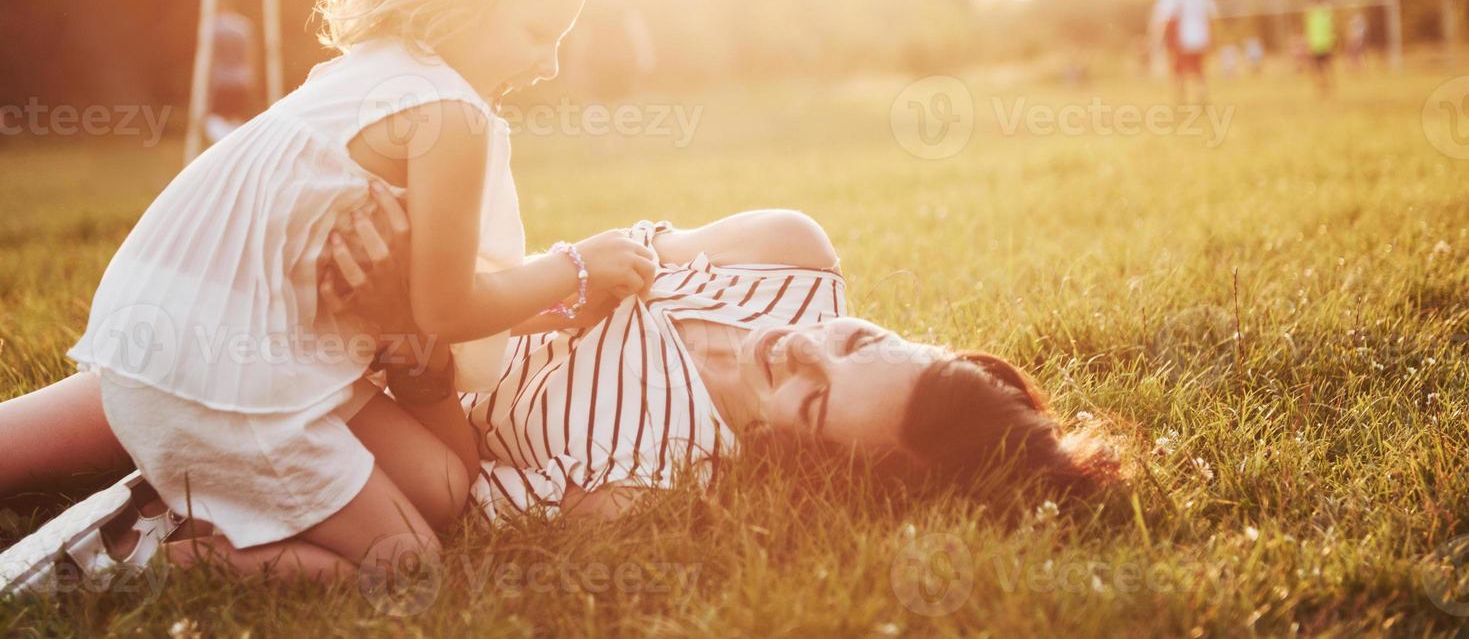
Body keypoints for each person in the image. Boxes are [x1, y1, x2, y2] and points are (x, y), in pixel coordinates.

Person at [19, 0, 666, 584]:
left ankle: (195, 500)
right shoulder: (452, 117)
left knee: (443, 492)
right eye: (536, 31)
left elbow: (423, 291)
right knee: (404, 562)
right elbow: (445, 306)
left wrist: (542, 300)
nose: (548, 63)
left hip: (162, 356)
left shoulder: (361, 74)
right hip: (232, 389)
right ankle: (128, 564)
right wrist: (577, 268)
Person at [1, 209, 1122, 589]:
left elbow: (450, 488)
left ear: (805, 462)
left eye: (814, 398)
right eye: (856, 336)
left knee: (247, 361)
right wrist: (433, 287)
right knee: (205, 350)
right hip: (444, 300)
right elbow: (564, 257)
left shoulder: (653, 477)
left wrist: (421, 359)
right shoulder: (790, 255)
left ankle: (151, 520)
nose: (795, 342)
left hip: (397, 413)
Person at [1150, 0, 1218, 104]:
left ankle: (1181, 100)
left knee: (1178, 71)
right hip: (1200, 36)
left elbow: (1165, 16)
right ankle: (1202, 98)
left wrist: (1159, 38)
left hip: (1180, 37)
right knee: (1199, 69)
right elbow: (1211, 13)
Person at [203, 2, 257, 144]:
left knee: (212, 120)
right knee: (236, 119)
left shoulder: (213, 26)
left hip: (222, 80)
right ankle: (235, 143)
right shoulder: (243, 25)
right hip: (242, 78)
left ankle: (227, 143)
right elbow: (250, 54)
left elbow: (211, 55)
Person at [1304, 0, 1336, 95]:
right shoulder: (1320, 13)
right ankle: (1323, 86)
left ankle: (1325, 86)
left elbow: (1329, 27)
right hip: (1319, 44)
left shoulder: (1316, 13)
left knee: (1322, 68)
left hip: (1322, 44)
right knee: (1321, 68)